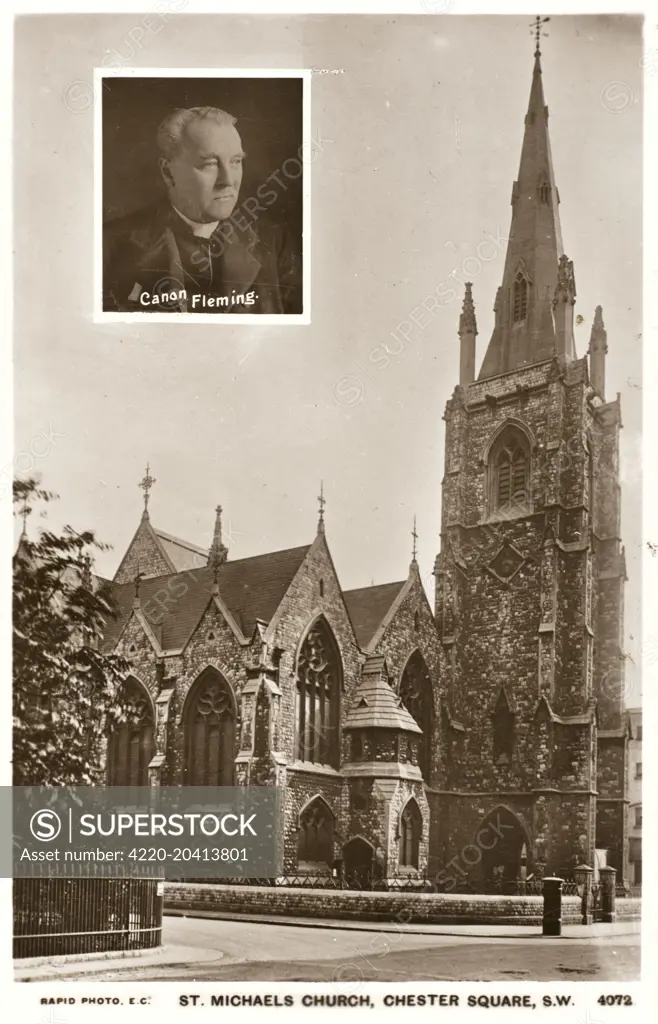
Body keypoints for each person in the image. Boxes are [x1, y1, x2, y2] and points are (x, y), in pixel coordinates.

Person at [103, 105, 301, 314]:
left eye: (235, 162)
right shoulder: (107, 246)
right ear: (168, 172)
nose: (228, 181)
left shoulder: (275, 243)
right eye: (209, 165)